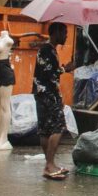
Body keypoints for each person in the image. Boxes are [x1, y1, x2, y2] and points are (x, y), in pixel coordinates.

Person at [33, 22, 76, 180]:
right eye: (64, 33)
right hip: (49, 94)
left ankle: (49, 165)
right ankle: (50, 164)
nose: (66, 36)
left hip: (42, 93)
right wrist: (66, 68)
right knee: (58, 127)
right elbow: (50, 73)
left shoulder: (47, 50)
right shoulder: (47, 50)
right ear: (56, 33)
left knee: (45, 129)